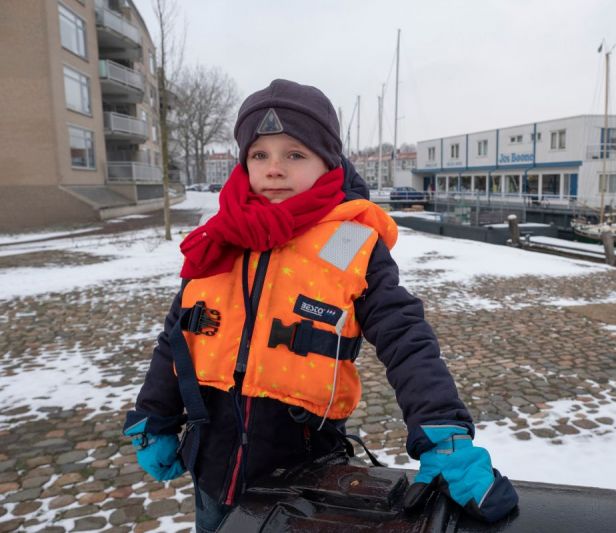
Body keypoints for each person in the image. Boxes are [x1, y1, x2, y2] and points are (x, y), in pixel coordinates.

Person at [123, 79, 518, 532]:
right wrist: (155, 414)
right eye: (260, 155)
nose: (274, 169)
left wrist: (442, 431)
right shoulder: (222, 239)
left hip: (304, 471)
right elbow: (180, 332)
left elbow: (404, 335)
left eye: (294, 154)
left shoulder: (349, 239)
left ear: (327, 161)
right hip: (211, 469)